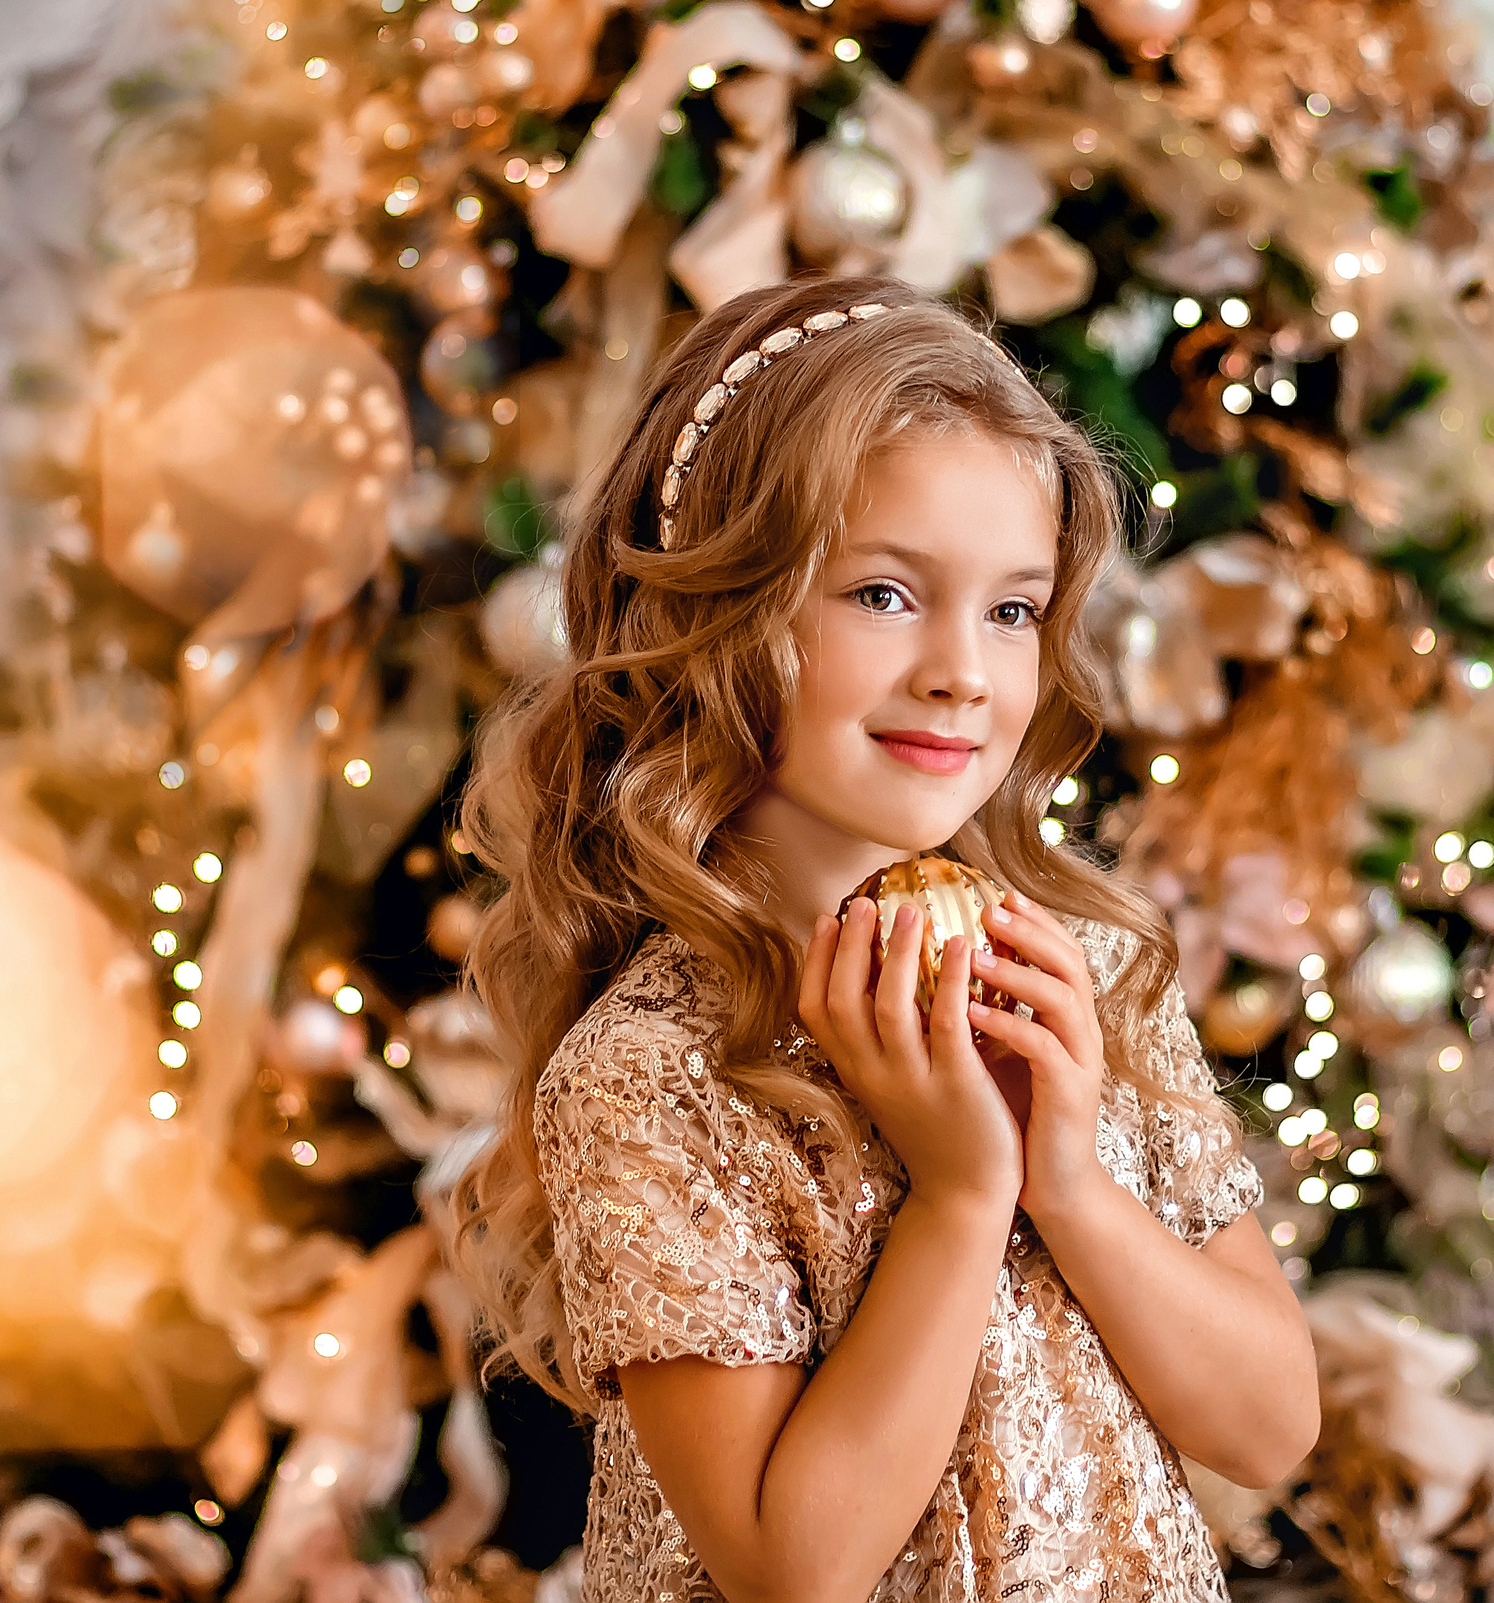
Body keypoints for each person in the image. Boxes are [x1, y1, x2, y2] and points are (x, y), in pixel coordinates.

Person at [454, 272, 1320, 1602]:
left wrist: (1069, 1178)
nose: (964, 672)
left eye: (1013, 609)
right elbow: (791, 1572)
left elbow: (1268, 1428)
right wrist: (964, 1194)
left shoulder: (1077, 976)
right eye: (883, 594)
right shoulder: (648, 1077)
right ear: (720, 613)